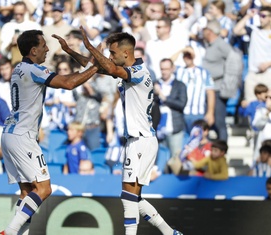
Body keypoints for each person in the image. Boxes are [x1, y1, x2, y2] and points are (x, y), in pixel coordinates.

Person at [59, 28, 182, 235]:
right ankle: (170, 233)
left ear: (126, 53)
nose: (110, 57)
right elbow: (96, 68)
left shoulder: (139, 73)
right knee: (135, 198)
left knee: (127, 197)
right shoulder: (129, 72)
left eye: (112, 53)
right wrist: (71, 51)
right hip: (136, 141)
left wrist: (90, 47)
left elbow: (108, 68)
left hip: (141, 140)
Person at [0, 29, 99, 235]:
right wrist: (96, 67)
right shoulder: (33, 69)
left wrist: (76, 56)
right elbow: (69, 83)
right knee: (44, 189)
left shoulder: (19, 68)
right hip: (22, 136)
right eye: (44, 45)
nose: (47, 49)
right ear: (33, 50)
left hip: (9, 133)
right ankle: (9, 232)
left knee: (27, 193)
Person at [233, 6, 271, 103]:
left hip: (269, 73)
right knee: (250, 103)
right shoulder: (253, 30)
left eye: (263, 16)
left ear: (270, 17)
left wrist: (268, 64)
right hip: (253, 73)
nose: (261, 18)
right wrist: (248, 16)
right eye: (259, 16)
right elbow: (236, 30)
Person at [154, 58, 187, 159]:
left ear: (172, 69)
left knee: (175, 159)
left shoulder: (180, 85)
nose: (164, 72)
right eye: (162, 69)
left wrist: (163, 97)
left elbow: (181, 104)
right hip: (158, 128)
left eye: (167, 69)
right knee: (159, 161)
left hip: (174, 128)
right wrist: (155, 94)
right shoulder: (155, 84)